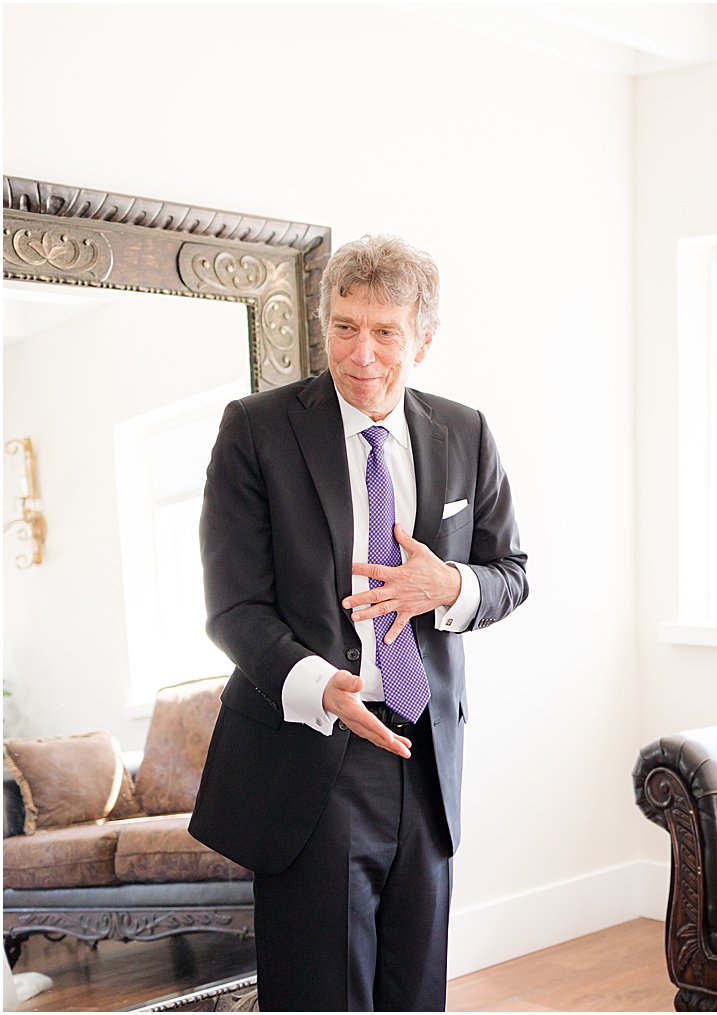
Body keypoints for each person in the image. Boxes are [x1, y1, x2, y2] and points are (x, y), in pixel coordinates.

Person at [188, 234, 528, 1011]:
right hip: (313, 752)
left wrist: (449, 584)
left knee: (415, 993)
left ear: (424, 340)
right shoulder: (257, 429)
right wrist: (320, 684)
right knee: (322, 996)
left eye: (385, 332)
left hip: (425, 751)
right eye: (344, 326)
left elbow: (511, 573)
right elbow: (233, 605)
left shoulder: (465, 431)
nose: (361, 353)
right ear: (322, 324)